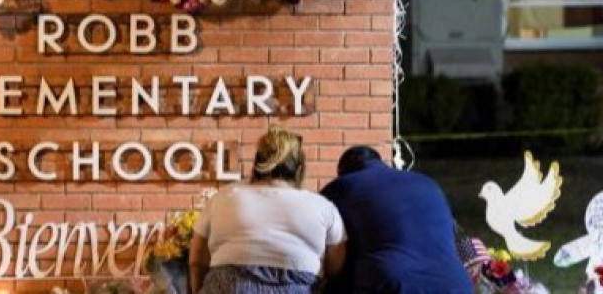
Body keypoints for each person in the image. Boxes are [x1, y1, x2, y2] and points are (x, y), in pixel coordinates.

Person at [189, 126, 347, 294]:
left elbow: (197, 261)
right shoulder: (323, 207)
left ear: (256, 163)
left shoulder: (222, 197)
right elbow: (335, 266)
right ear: (299, 168)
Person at [319, 145, 473, 294]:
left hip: (395, 282)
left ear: (344, 172)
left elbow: (324, 246)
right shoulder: (427, 182)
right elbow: (457, 238)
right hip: (457, 283)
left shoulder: (341, 187)